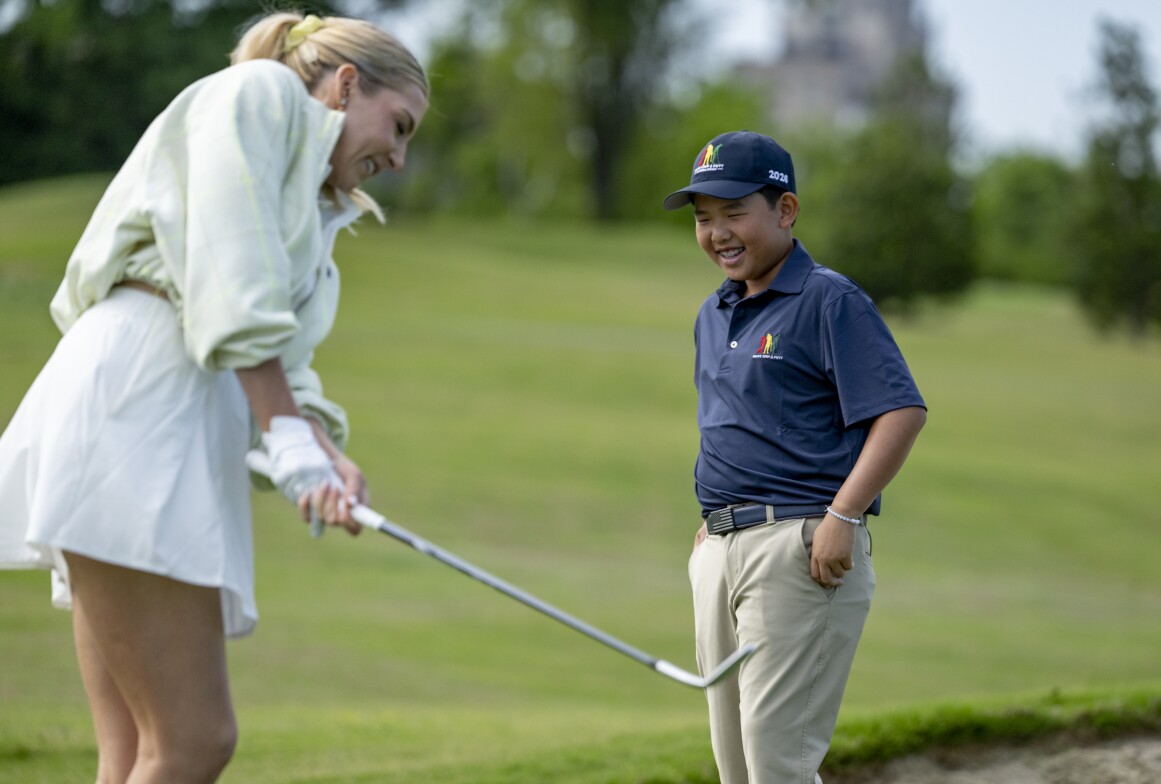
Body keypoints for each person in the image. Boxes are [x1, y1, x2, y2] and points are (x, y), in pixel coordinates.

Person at [0, 12, 428, 783]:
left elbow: (282, 359)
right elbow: (230, 275)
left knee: (135, 753)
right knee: (193, 742)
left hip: (165, 415)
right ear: (345, 85)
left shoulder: (312, 204)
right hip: (139, 404)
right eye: (398, 126)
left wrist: (319, 447)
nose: (397, 158)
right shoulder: (260, 95)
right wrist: (287, 437)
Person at [662, 130, 927, 784]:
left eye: (733, 212)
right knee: (735, 763)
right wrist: (715, 522)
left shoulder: (828, 300)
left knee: (775, 761)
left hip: (800, 547)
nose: (717, 233)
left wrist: (844, 514)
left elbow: (900, 411)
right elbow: (732, 425)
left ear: (785, 210)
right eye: (703, 218)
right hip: (721, 548)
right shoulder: (712, 314)